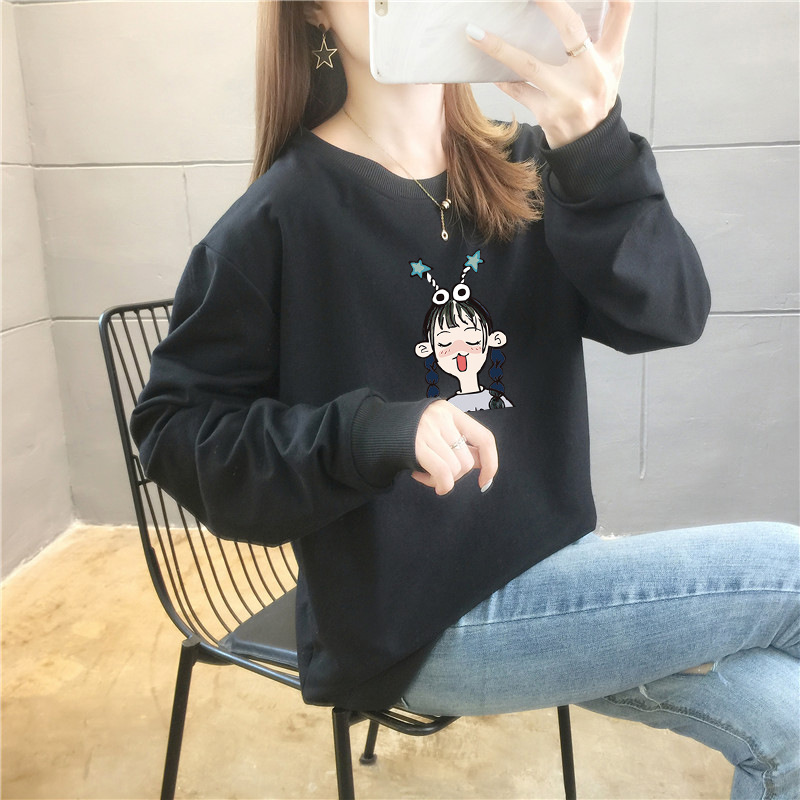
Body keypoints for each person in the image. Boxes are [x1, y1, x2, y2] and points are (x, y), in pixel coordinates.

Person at [130, 1, 800, 796]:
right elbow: (175, 432)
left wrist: (597, 149)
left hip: (556, 568)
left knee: (791, 724)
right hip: (420, 623)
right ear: (311, 9)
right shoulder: (278, 218)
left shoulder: (530, 168)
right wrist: (370, 434)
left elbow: (670, 314)